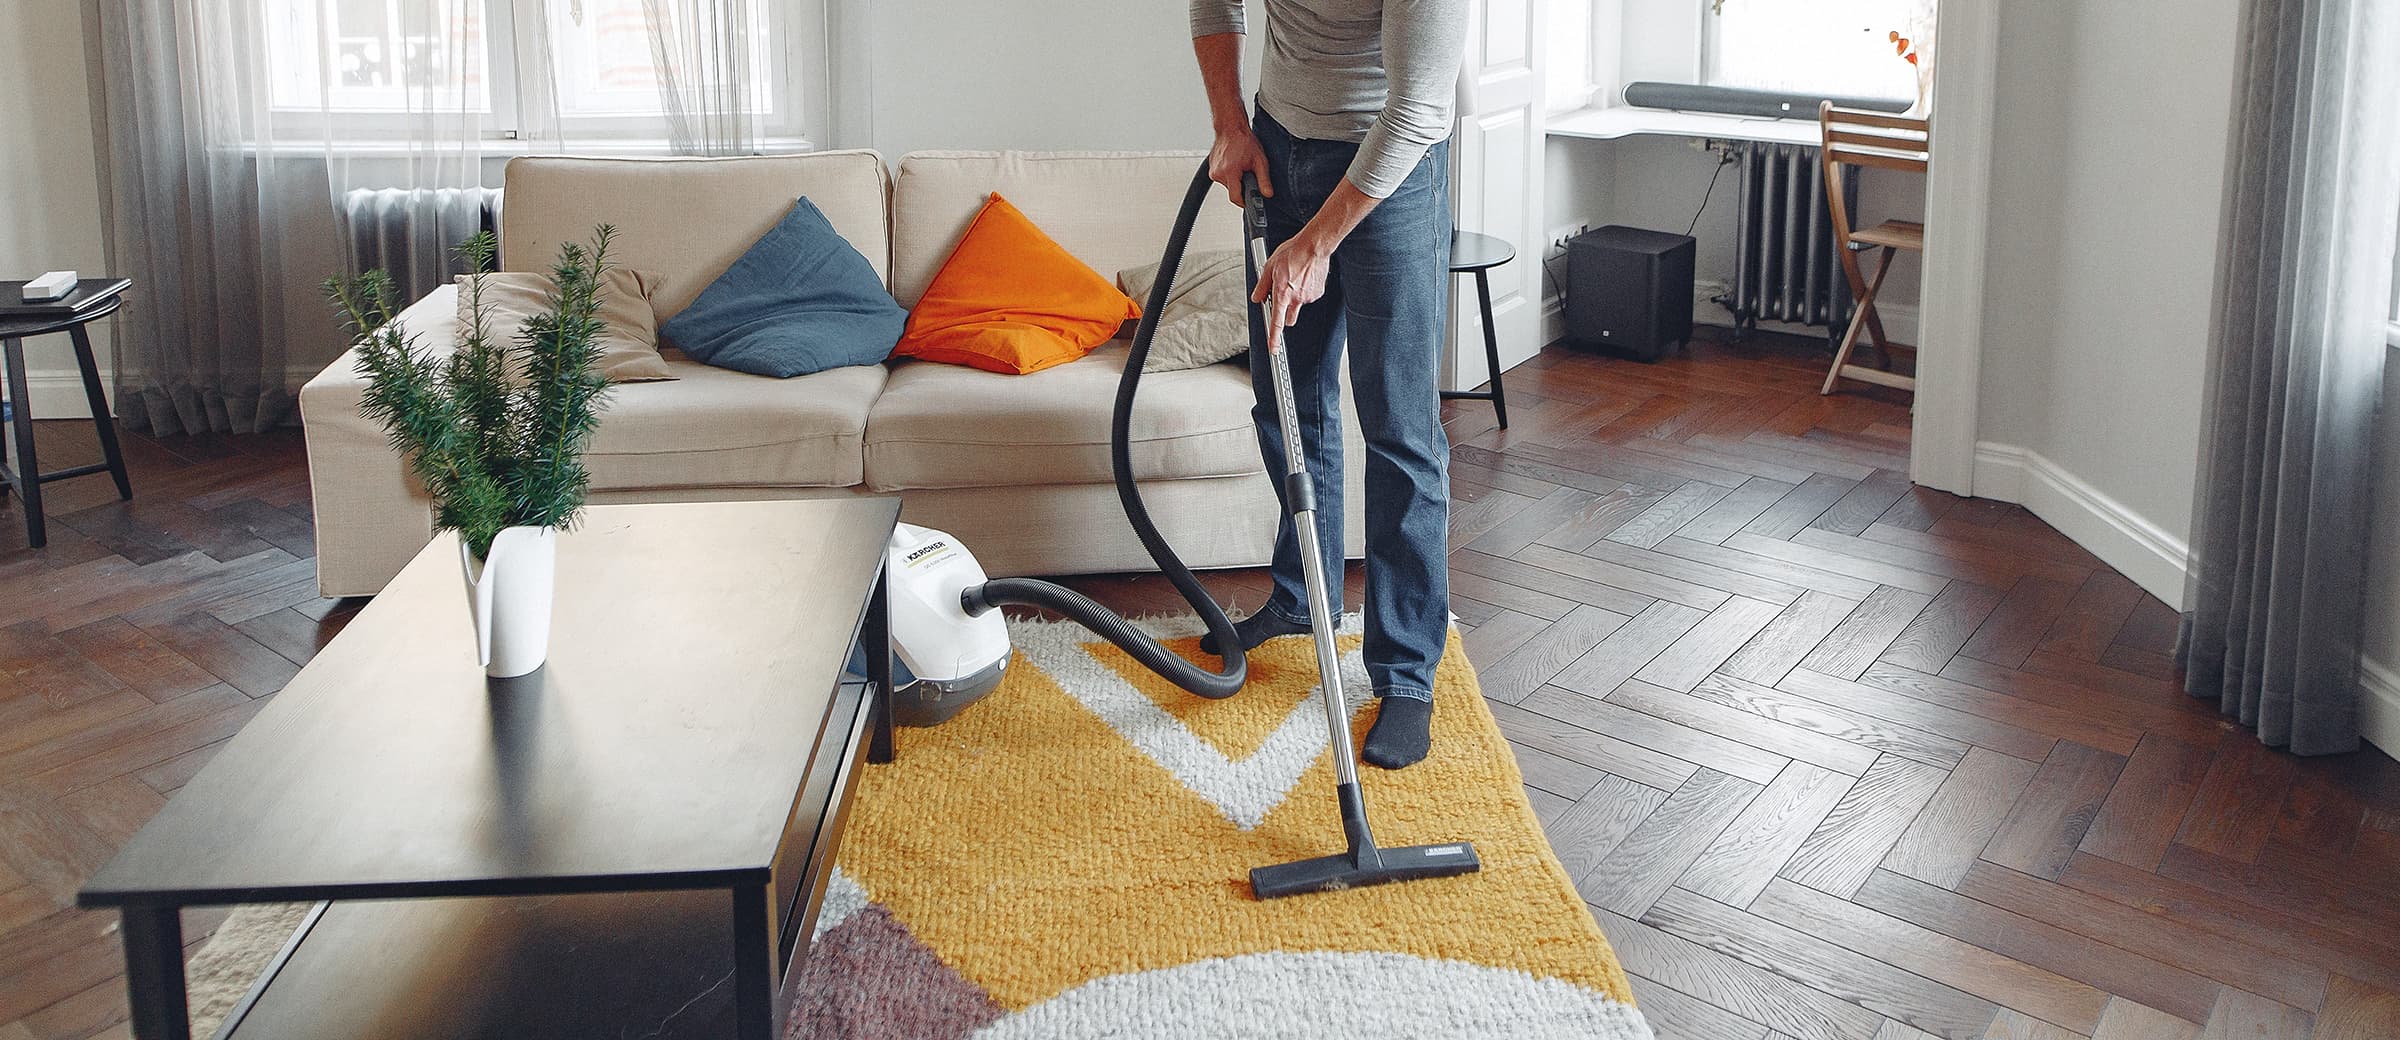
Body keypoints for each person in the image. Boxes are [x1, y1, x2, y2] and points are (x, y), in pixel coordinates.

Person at [1188, 0, 1467, 769]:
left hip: (1392, 173)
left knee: (1399, 429)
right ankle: (1300, 593)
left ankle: (1405, 675)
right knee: (1286, 400)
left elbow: (1414, 110)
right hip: (1280, 144)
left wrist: (1314, 248)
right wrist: (1230, 125)